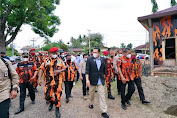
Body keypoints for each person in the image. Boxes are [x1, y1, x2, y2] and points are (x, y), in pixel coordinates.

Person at [38, 47, 65, 118]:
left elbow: (64, 68)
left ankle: (57, 109)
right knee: (47, 96)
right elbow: (41, 69)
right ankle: (52, 102)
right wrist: (39, 79)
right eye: (53, 53)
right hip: (48, 82)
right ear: (50, 53)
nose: (55, 54)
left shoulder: (59, 60)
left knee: (58, 95)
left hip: (57, 82)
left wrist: (59, 71)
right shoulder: (46, 60)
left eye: (56, 53)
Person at [86, 47, 109, 118]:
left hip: (100, 80)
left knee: (102, 95)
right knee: (91, 94)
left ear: (99, 53)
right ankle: (91, 103)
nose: (94, 53)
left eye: (95, 52)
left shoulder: (103, 59)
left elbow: (104, 69)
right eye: (93, 52)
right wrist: (87, 80)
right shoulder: (89, 59)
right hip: (92, 80)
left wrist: (104, 77)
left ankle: (104, 111)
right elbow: (87, 70)